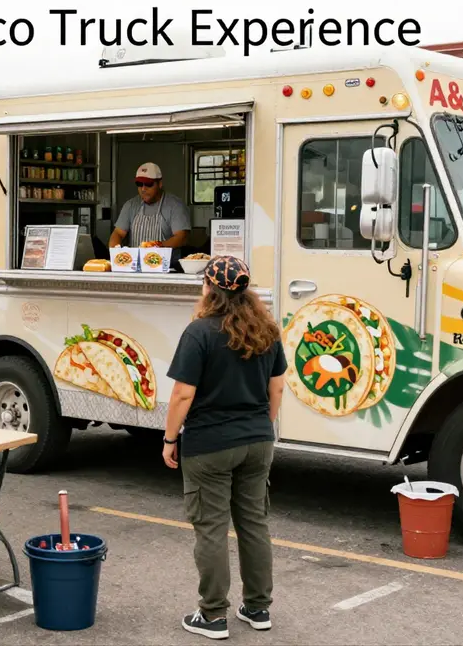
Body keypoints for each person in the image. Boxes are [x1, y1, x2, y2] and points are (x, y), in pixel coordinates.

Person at [162, 256, 286, 640]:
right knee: (253, 524)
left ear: (210, 289)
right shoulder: (266, 330)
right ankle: (258, 608)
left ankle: (213, 616)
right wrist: (263, 426)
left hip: (210, 444)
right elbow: (277, 386)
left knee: (212, 528)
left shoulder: (199, 333)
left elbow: (183, 394)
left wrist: (169, 439)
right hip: (257, 441)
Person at [109, 162, 191, 260]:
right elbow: (118, 233)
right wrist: (116, 254)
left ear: (160, 184)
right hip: (135, 266)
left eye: (148, 184)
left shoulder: (175, 206)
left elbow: (181, 237)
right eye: (139, 184)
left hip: (167, 269)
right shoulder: (131, 205)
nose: (143, 189)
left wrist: (156, 247)